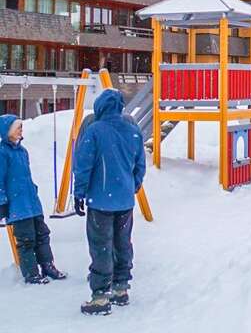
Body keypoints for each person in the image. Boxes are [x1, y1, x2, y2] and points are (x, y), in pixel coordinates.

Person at [73, 88, 146, 316]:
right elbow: (140, 164)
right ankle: (121, 288)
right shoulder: (132, 130)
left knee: (101, 245)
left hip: (101, 200)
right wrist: (132, 185)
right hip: (125, 200)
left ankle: (100, 295)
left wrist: (79, 193)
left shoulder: (94, 131)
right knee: (123, 243)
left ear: (100, 107)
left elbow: (83, 165)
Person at [0, 114, 67, 284]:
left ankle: (48, 266)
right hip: (17, 205)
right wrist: (2, 202)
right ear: (8, 131)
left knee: (42, 235)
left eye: (21, 127)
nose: (21, 130)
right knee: (26, 240)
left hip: (32, 203)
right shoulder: (2, 153)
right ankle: (31, 274)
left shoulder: (22, 152)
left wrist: (34, 190)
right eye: (17, 127)